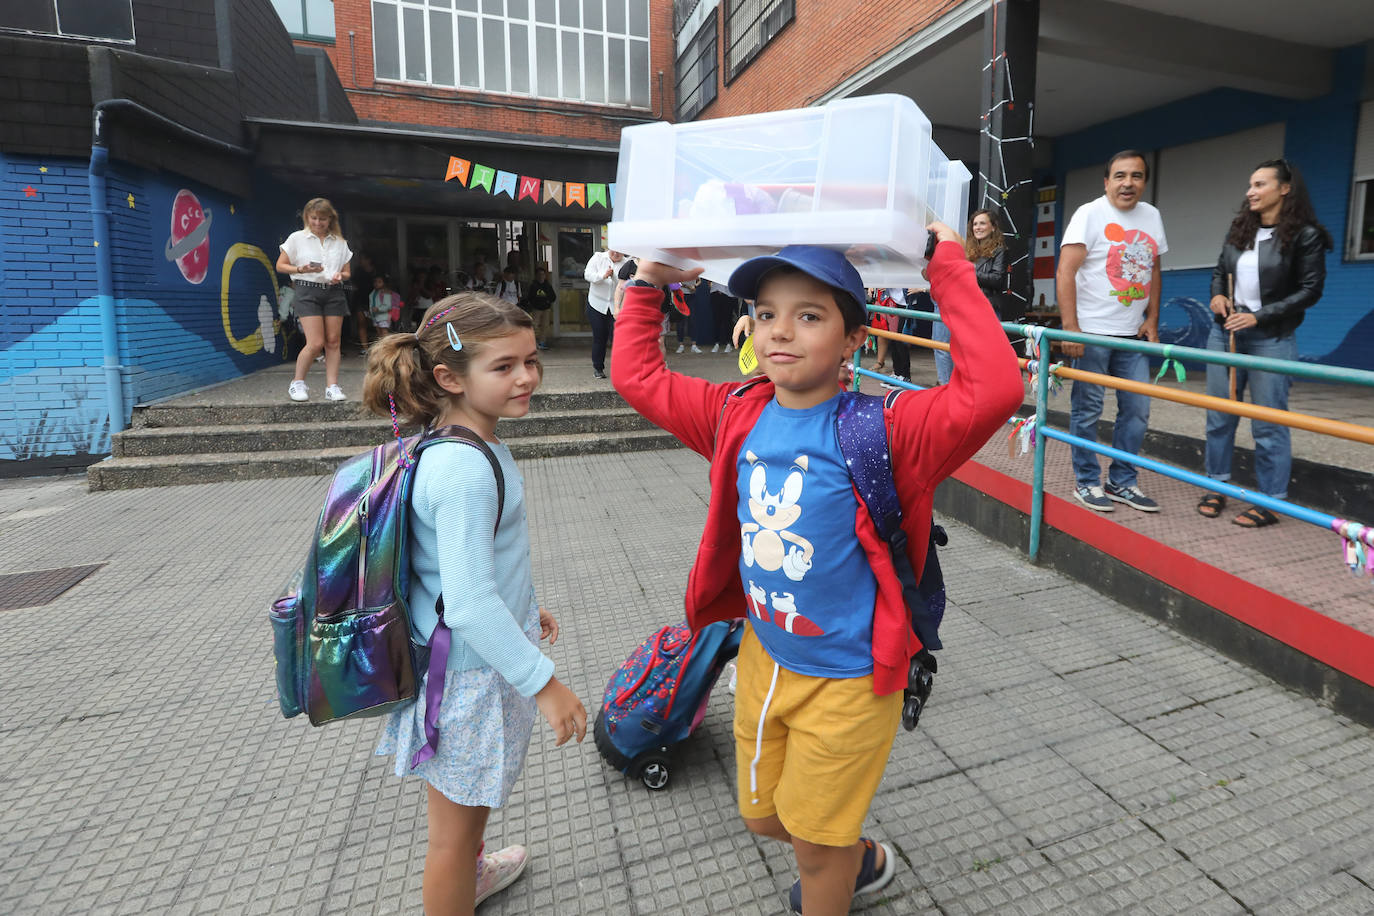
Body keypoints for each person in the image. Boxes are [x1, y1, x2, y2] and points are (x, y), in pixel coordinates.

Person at [611, 226, 1022, 916]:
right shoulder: (733, 415)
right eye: (766, 314)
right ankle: (857, 860)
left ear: (853, 338)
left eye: (809, 315)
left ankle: (834, 873)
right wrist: (648, 282)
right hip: (766, 662)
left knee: (810, 845)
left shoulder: (887, 430)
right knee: (764, 819)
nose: (781, 332)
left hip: (853, 681)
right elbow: (637, 376)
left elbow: (994, 390)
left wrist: (945, 265)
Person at [361, 293, 587, 916]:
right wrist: (545, 684)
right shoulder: (462, 467)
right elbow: (467, 602)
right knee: (451, 840)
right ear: (449, 378)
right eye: (505, 366)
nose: (526, 378)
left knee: (472, 809)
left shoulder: (468, 441)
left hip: (474, 662)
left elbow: (482, 565)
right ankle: (464, 882)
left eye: (531, 360)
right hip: (462, 680)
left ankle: (477, 873)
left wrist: (525, 609)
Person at [1198, 159, 1332, 528]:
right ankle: (1214, 485)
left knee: (1269, 423)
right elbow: (1218, 272)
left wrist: (1260, 316)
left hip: (1271, 337)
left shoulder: (1305, 235)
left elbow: (1311, 290)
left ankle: (1272, 501)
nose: (1250, 192)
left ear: (1284, 189)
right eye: (1250, 185)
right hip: (1225, 332)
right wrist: (1217, 298)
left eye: (1259, 185)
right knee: (1219, 415)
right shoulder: (1240, 227)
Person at [1056, 150, 1168, 513]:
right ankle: (1087, 482)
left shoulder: (1152, 216)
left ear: (1144, 182)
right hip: (1092, 334)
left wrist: (1151, 319)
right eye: (1120, 176)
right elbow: (1065, 272)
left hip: (1133, 337)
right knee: (1087, 411)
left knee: (1137, 410)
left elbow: (1154, 270)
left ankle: (1122, 481)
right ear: (1106, 182)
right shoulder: (1089, 214)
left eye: (1136, 176)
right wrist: (1071, 329)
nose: (1128, 183)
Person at [276, 198, 353, 402]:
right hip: (306, 290)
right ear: (307, 217)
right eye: (314, 218)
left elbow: (347, 272)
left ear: (331, 219)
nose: (318, 223)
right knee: (316, 342)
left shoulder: (340, 242)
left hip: (333, 291)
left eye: (323, 219)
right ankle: (297, 383)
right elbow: (280, 265)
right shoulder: (296, 238)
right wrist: (302, 268)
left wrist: (340, 276)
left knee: (334, 342)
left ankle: (332, 386)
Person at [583, 247, 623, 378]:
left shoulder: (626, 263)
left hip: (616, 307)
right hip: (596, 304)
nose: (616, 253)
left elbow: (627, 285)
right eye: (613, 250)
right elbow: (587, 275)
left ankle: (620, 369)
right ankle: (598, 368)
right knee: (600, 337)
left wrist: (614, 276)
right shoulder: (598, 258)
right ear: (608, 248)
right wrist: (603, 276)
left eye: (619, 251)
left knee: (617, 338)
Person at [967, 210, 1008, 318]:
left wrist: (969, 273)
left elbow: (997, 279)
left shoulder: (999, 251)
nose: (978, 227)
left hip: (987, 308)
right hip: (966, 306)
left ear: (993, 227)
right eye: (975, 224)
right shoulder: (968, 251)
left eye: (982, 223)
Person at [521, 266, 557, 350]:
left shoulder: (548, 285)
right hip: (537, 308)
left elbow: (553, 296)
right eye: (539, 274)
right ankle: (531, 342)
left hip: (546, 309)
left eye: (543, 274)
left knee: (545, 326)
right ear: (536, 276)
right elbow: (530, 297)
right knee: (534, 325)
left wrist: (548, 301)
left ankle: (542, 342)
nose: (541, 276)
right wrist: (535, 303)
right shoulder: (533, 285)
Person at [350, 253, 378, 355]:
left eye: (362, 259)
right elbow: (353, 283)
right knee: (362, 323)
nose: (360, 261)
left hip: (376, 300)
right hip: (360, 300)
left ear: (368, 260)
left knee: (377, 323)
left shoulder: (376, 271)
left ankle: (378, 346)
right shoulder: (358, 271)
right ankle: (365, 347)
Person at [367, 274, 400, 343]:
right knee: (379, 333)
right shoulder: (373, 293)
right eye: (375, 282)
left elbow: (388, 305)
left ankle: (387, 346)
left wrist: (378, 309)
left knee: (384, 332)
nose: (376, 283)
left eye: (379, 282)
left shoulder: (385, 292)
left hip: (384, 316)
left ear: (384, 283)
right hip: (375, 316)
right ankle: (383, 346)